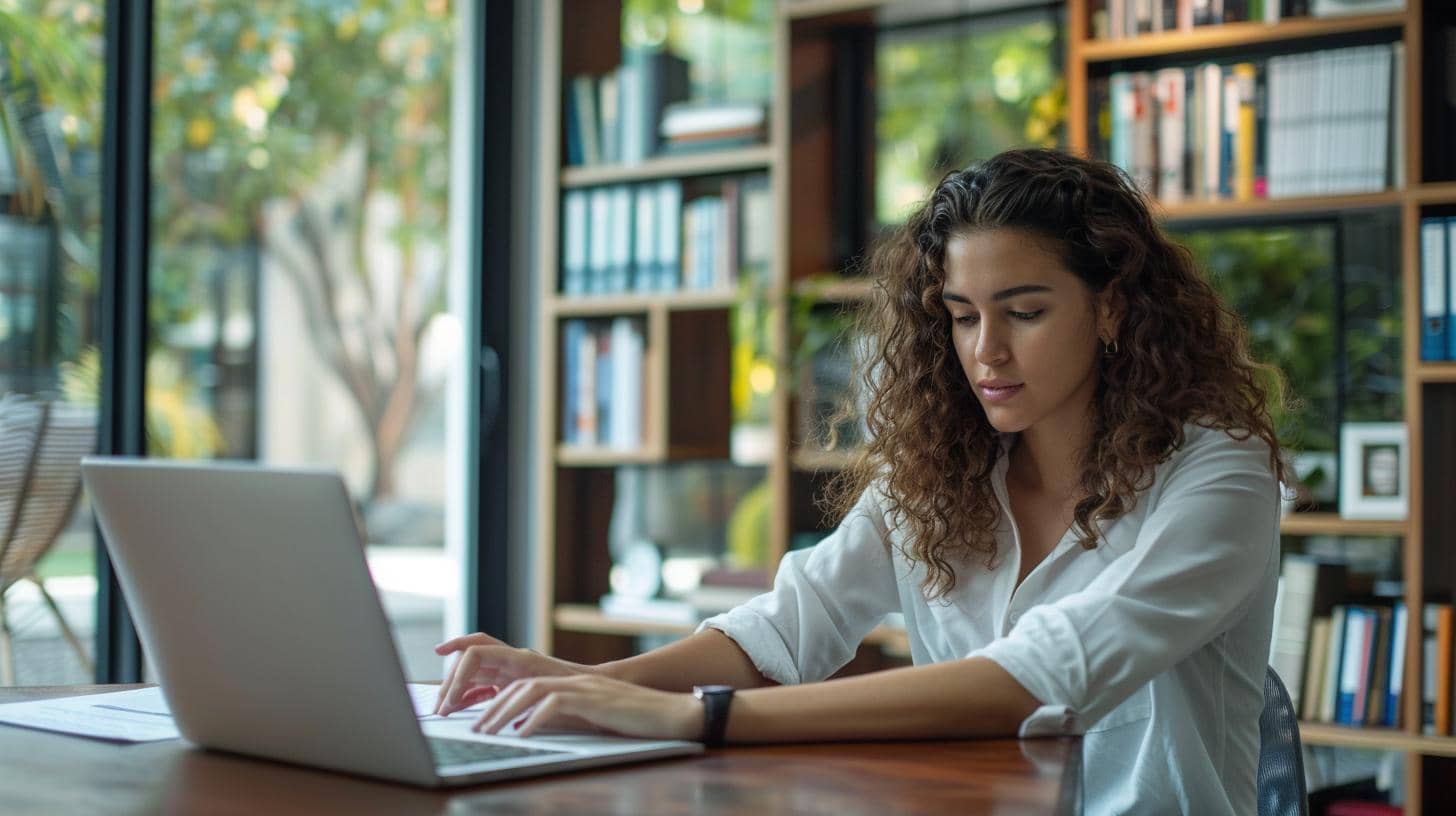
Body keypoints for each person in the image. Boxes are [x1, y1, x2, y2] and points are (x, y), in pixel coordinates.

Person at [434, 148, 1288, 814]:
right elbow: (784, 631)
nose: (986, 350)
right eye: (961, 317)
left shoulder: (1219, 477)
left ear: (1111, 309)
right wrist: (571, 681)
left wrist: (703, 717)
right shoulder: (942, 476)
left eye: (1024, 312)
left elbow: (1042, 676)